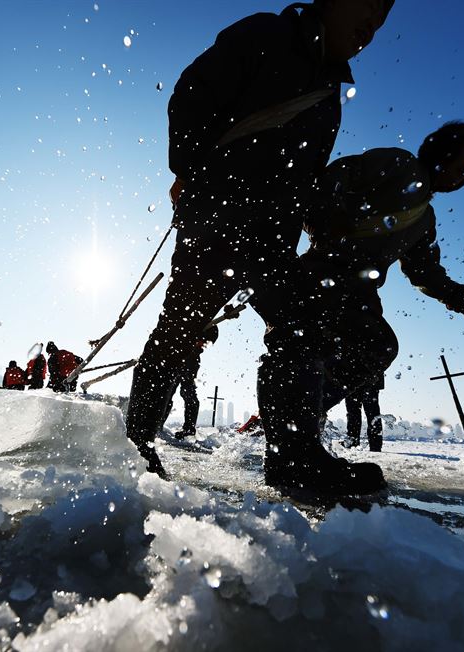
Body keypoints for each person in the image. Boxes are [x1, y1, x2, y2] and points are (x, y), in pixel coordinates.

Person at [126, 0, 394, 495]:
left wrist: (322, 227)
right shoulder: (266, 35)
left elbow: (306, 177)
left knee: (326, 331)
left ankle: (294, 455)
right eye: (367, 7)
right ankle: (134, 443)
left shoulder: (330, 92)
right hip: (216, 219)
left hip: (273, 238)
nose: (370, 27)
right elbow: (191, 95)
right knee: (181, 329)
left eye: (381, 21)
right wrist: (190, 173)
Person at [301, 121, 464, 453]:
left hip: (358, 292)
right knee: (347, 346)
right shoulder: (399, 164)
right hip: (322, 275)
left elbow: (426, 275)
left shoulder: (424, 221)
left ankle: (299, 422)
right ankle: (295, 423)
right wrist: (330, 218)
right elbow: (337, 175)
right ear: (442, 155)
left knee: (369, 347)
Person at [168, 324, 219, 440]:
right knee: (168, 392)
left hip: (189, 360)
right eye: (202, 343)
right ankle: (157, 425)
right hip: (177, 356)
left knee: (188, 392)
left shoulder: (209, 326)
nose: (203, 346)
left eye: (205, 344)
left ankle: (189, 428)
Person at [343, 376, 384, 451]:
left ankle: (374, 444)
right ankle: (354, 441)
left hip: (364, 378)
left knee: (371, 413)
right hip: (356, 378)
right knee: (356, 412)